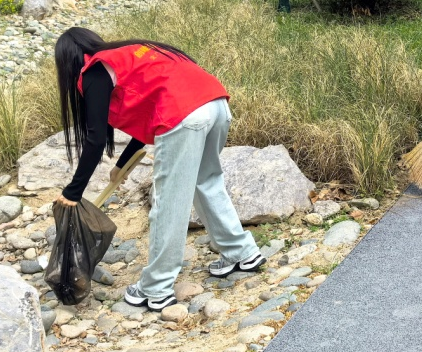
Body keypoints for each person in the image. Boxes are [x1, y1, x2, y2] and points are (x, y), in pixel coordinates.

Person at [53, 27, 265, 311]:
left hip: (185, 114)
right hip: (215, 104)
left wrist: (73, 192)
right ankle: (242, 253)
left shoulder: (94, 69)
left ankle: (157, 288)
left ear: (69, 61)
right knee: (207, 182)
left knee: (169, 201)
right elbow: (151, 106)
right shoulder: (130, 53)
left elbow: (94, 139)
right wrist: (121, 165)